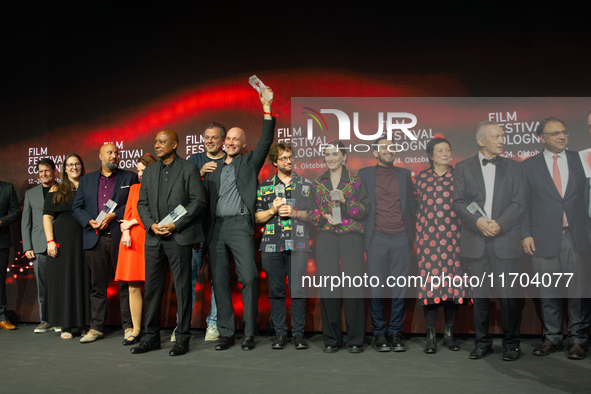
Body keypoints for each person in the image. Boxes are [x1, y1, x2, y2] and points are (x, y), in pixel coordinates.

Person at [203, 88, 275, 351]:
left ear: (243, 144)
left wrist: (266, 108)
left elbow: (266, 141)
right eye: (228, 139)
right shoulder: (212, 168)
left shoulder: (249, 162)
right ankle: (226, 333)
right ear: (223, 142)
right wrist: (201, 172)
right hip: (216, 229)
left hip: (240, 225)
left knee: (250, 278)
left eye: (236, 139)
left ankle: (249, 332)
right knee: (219, 281)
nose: (231, 142)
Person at [453, 121, 523, 361]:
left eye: (503, 136)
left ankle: (511, 344)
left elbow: (519, 203)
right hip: (476, 240)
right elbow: (458, 203)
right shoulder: (463, 167)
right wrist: (478, 222)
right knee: (480, 296)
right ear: (481, 141)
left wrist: (499, 224)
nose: (502, 140)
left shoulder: (515, 168)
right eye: (496, 136)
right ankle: (482, 343)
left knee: (508, 297)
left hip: (505, 239)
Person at [132, 129, 206, 356]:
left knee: (183, 289)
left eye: (162, 142)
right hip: (154, 238)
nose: (157, 145)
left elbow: (198, 201)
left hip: (179, 237)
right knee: (152, 291)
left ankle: (182, 339)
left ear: (174, 145)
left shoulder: (189, 168)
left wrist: (176, 225)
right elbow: (141, 203)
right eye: (155, 141)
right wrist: (150, 225)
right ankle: (151, 337)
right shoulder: (151, 171)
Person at [521, 117, 590, 360]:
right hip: (542, 239)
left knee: (578, 292)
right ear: (542, 138)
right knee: (548, 291)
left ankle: (578, 340)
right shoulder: (529, 166)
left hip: (576, 237)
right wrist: (526, 233)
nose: (561, 137)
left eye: (564, 132)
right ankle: (552, 338)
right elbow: (524, 204)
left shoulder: (581, 160)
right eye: (555, 133)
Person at [72, 143, 138, 343]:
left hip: (121, 237)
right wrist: (89, 222)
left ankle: (129, 327)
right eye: (110, 152)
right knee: (97, 286)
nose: (114, 156)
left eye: (116, 153)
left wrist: (114, 215)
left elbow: (133, 203)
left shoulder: (130, 177)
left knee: (126, 285)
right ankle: (96, 328)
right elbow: (77, 207)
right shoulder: (87, 179)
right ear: (100, 156)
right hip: (95, 238)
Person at [308, 140, 369, 354]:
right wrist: (322, 216)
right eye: (327, 154)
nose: (331, 158)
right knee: (328, 287)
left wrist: (346, 203)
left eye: (335, 154)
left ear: (344, 157)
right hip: (326, 236)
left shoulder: (355, 181)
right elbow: (311, 211)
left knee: (353, 286)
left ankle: (355, 339)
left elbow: (364, 209)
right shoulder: (317, 183)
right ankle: (332, 339)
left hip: (350, 237)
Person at [359, 137, 416, 353]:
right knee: (376, 288)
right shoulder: (364, 174)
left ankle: (395, 332)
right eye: (384, 147)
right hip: (376, 239)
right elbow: (360, 204)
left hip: (401, 237)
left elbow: (411, 204)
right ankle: (379, 332)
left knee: (400, 288)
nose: (389, 150)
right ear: (375, 153)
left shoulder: (405, 174)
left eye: (392, 147)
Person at [255, 142, 312, 350]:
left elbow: (315, 215)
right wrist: (272, 210)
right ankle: (280, 334)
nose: (289, 161)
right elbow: (257, 217)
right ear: (274, 162)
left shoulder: (306, 185)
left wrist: (296, 213)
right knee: (276, 292)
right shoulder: (264, 187)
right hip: (271, 246)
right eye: (284, 158)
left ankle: (298, 334)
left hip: (298, 245)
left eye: (290, 157)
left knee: (297, 290)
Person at [175, 122, 226, 343]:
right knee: (189, 278)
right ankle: (181, 325)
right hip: (195, 230)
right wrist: (199, 175)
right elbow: (181, 194)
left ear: (223, 140)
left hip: (220, 230)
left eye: (214, 137)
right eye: (206, 137)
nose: (209, 141)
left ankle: (213, 325)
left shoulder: (230, 160)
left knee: (217, 279)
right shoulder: (193, 161)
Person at [413, 138, 465, 353]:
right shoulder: (421, 179)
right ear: (431, 155)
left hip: (455, 241)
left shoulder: (459, 177)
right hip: (428, 242)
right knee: (431, 290)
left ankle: (449, 334)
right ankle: (431, 335)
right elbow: (413, 209)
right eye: (440, 150)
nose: (445, 153)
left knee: (453, 289)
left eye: (447, 150)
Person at [43, 154, 91, 339]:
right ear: (64, 168)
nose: (73, 167)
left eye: (77, 164)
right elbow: (47, 216)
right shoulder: (56, 188)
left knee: (83, 280)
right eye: (70, 164)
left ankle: (83, 324)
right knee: (64, 282)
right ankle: (65, 325)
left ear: (81, 166)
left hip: (85, 240)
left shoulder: (88, 185)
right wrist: (50, 241)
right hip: (61, 242)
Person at [115, 154, 158, 345]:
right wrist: (125, 231)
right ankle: (136, 329)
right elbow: (128, 213)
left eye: (144, 170)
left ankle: (151, 329)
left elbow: (155, 214)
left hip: (149, 236)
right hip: (132, 239)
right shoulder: (134, 188)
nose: (140, 174)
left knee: (152, 287)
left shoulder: (158, 187)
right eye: (138, 170)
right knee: (132, 286)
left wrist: (132, 222)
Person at [22, 158, 57, 333]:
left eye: (47, 170)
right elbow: (26, 222)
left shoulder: (62, 189)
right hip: (39, 246)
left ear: (54, 171)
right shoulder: (31, 193)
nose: (44, 174)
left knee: (59, 284)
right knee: (42, 286)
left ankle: (60, 319)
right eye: (41, 171)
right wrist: (28, 246)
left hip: (60, 244)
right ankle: (45, 320)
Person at [0, 180, 21, 330]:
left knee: (0, 280)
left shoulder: (7, 188)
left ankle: (2, 316)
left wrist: (1, 222)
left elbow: (16, 212)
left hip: (1, 241)